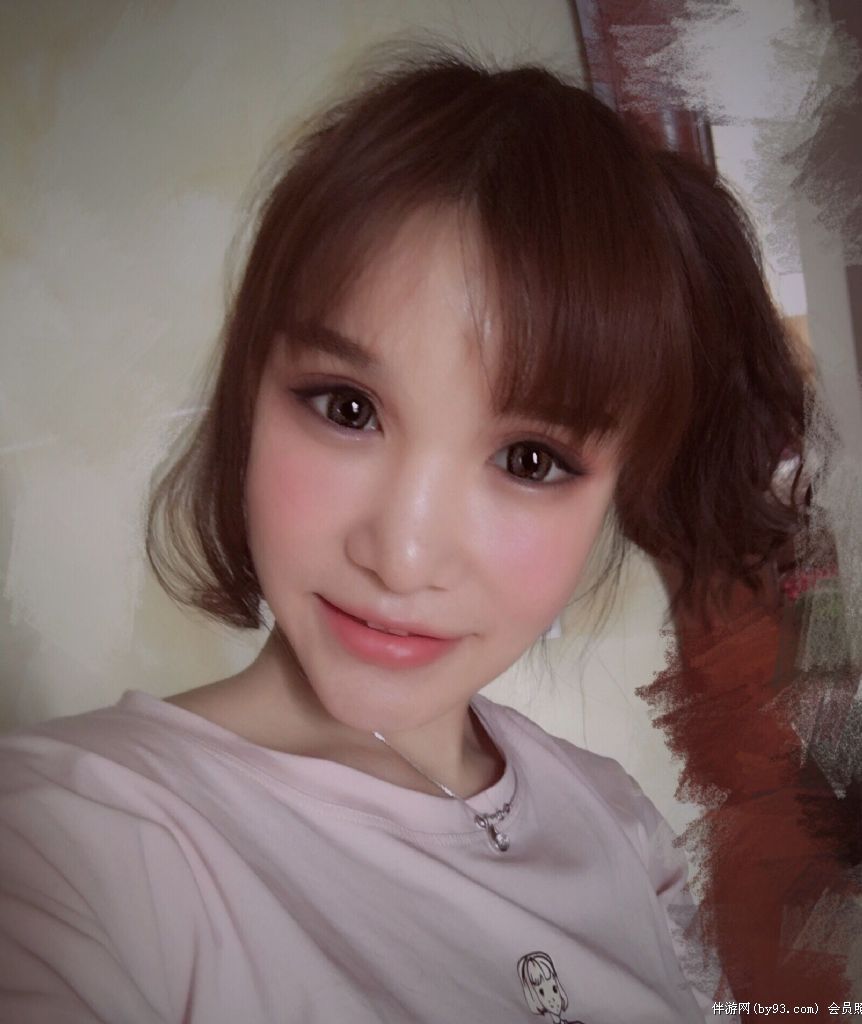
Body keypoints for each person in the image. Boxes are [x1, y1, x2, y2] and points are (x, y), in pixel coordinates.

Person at [0, 46, 809, 1023]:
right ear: (251, 397)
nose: (403, 554)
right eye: (346, 408)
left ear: (617, 492)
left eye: (529, 460)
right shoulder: (66, 840)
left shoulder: (618, 820)